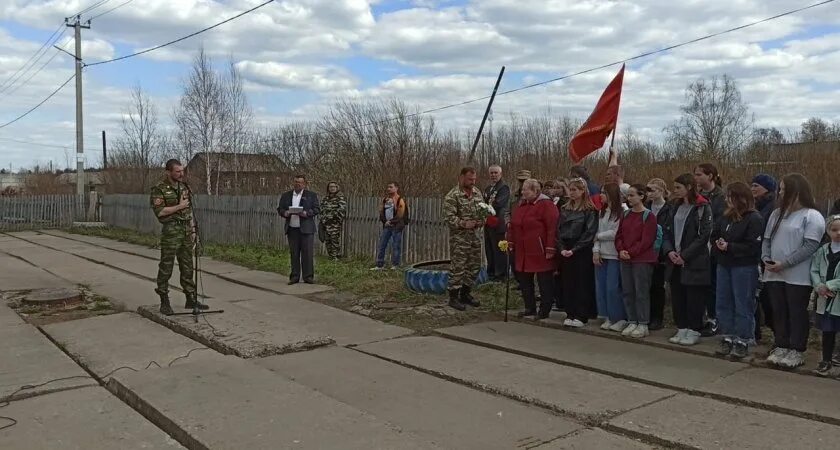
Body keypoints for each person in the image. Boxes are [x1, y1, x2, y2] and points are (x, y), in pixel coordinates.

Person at [762, 173, 824, 369]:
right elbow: (767, 240)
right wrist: (766, 258)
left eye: (782, 189)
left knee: (796, 311)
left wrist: (785, 263)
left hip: (798, 276)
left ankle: (797, 349)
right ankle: (781, 344)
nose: (779, 193)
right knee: (778, 310)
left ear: (795, 191)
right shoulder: (776, 214)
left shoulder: (811, 216)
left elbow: (809, 246)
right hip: (774, 273)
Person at [711, 182, 764, 359]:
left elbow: (753, 246)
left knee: (743, 302)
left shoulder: (753, 218)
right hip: (724, 264)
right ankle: (727, 334)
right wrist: (719, 245)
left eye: (730, 197)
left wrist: (730, 247)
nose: (727, 200)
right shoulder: (726, 217)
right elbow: (715, 234)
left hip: (744, 266)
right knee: (723, 301)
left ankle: (744, 338)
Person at [150, 159, 207, 315]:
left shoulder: (184, 187)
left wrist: (193, 229)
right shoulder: (159, 189)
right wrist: (179, 206)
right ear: (168, 172)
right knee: (166, 266)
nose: (181, 174)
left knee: (187, 265)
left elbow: (188, 211)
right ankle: (164, 299)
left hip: (185, 230)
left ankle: (191, 298)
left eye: (182, 171)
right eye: (178, 171)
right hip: (171, 231)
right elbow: (160, 212)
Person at [662, 173, 713, 346]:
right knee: (678, 295)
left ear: (689, 187)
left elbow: (703, 235)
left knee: (694, 297)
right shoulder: (674, 207)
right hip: (674, 258)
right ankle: (682, 326)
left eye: (678, 187)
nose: (675, 191)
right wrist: (669, 251)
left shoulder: (702, 207)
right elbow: (666, 231)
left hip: (693, 260)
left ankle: (694, 329)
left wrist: (685, 255)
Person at [507, 178, 559, 319]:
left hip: (540, 249)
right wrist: (510, 242)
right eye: (522, 189)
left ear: (535, 191)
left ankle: (544, 309)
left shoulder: (546, 205)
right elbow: (513, 225)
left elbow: (552, 228)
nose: (522, 191)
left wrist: (550, 248)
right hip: (523, 250)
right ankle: (529, 307)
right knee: (524, 280)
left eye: (525, 189)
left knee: (544, 281)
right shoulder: (522, 205)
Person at [615, 184, 659, 338]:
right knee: (628, 290)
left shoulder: (649, 216)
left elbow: (646, 240)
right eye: (628, 195)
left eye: (632, 195)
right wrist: (621, 250)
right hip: (625, 258)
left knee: (641, 291)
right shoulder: (626, 215)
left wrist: (631, 252)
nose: (629, 198)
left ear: (641, 196)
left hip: (641, 259)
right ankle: (632, 319)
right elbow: (619, 235)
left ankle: (643, 322)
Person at [557, 177, 598, 327]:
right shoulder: (564, 209)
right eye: (570, 189)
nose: (572, 193)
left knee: (582, 282)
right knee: (568, 282)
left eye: (575, 190)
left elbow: (589, 232)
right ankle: (570, 312)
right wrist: (562, 248)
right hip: (566, 247)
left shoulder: (589, 210)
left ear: (582, 191)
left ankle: (582, 315)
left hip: (581, 249)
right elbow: (559, 230)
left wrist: (574, 249)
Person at [444, 167, 485, 311]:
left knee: (474, 266)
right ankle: (453, 297)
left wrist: (481, 220)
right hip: (459, 239)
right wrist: (463, 223)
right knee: (458, 267)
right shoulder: (452, 196)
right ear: (461, 177)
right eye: (469, 179)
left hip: (475, 237)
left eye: (474, 179)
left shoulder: (477, 193)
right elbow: (449, 218)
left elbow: (483, 210)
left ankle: (465, 294)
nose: (472, 182)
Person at [695, 163, 725, 337]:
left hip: (712, 245)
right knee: (702, 286)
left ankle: (715, 318)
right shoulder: (697, 195)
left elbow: (719, 220)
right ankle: (703, 316)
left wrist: (712, 239)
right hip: (698, 246)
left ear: (710, 176)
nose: (697, 178)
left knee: (713, 285)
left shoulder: (720, 196)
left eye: (700, 175)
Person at [593, 183, 627, 331]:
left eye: (604, 193)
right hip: (602, 254)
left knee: (613, 288)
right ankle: (607, 315)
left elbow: (616, 232)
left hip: (614, 254)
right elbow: (597, 233)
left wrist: (599, 237)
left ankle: (619, 317)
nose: (600, 196)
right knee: (602, 287)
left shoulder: (622, 212)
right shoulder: (602, 212)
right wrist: (596, 250)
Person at [810, 215, 840, 375]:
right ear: (828, 231)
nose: (838, 233)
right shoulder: (822, 251)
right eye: (834, 230)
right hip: (825, 297)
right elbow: (814, 269)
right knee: (827, 331)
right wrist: (819, 285)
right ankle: (825, 360)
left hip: (837, 296)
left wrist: (830, 285)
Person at [277, 175, 320, 285]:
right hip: (292, 228)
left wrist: (306, 213)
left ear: (304, 184)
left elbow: (316, 209)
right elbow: (280, 208)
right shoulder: (286, 195)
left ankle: (308, 276)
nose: (298, 184)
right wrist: (285, 213)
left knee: (307, 254)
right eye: (296, 182)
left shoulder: (311, 195)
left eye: (300, 182)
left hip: (306, 229)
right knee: (294, 253)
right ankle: (294, 276)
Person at [750, 173, 777, 341]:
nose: (752, 189)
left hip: (767, 257)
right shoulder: (756, 205)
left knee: (769, 299)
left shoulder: (772, 207)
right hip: (756, 255)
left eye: (756, 186)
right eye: (751, 186)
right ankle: (756, 331)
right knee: (756, 297)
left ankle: (777, 333)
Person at [645, 178, 671, 331]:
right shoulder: (647, 207)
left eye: (652, 190)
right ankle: (646, 315)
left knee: (657, 286)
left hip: (661, 252)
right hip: (646, 250)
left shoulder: (669, 208)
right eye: (648, 190)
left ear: (661, 191)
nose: (649, 193)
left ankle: (657, 318)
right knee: (646, 285)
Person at [372, 182, 407, 270]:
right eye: (388, 187)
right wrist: (385, 221)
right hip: (387, 226)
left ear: (396, 188)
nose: (389, 189)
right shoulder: (385, 200)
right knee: (382, 244)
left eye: (391, 187)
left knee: (396, 246)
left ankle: (395, 265)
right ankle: (380, 265)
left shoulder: (400, 200)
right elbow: (381, 212)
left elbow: (400, 214)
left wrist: (391, 221)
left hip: (396, 226)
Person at [484, 165, 511, 282]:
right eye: (491, 173)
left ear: (500, 174)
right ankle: (491, 272)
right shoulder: (488, 188)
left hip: (498, 222)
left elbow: (498, 204)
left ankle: (501, 274)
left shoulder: (504, 188)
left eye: (496, 173)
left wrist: (484, 208)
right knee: (489, 248)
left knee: (499, 249)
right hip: (488, 222)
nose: (493, 175)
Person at [320, 181, 346, 260]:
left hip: (334, 223)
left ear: (337, 187)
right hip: (326, 223)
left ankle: (335, 256)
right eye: (330, 187)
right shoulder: (325, 198)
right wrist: (323, 219)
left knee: (334, 239)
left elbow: (342, 210)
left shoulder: (340, 198)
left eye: (333, 187)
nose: (332, 188)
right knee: (327, 240)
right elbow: (321, 209)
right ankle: (330, 256)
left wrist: (333, 217)